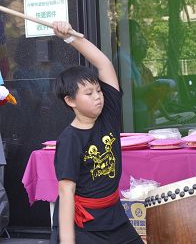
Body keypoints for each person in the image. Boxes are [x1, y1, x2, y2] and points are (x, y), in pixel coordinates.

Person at [49, 21, 143, 244]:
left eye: (99, 90)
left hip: (114, 216)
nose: (98, 96)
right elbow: (66, 192)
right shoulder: (69, 140)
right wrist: (67, 241)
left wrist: (70, 37)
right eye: (89, 93)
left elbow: (104, 64)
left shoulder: (108, 114)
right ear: (70, 101)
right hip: (85, 225)